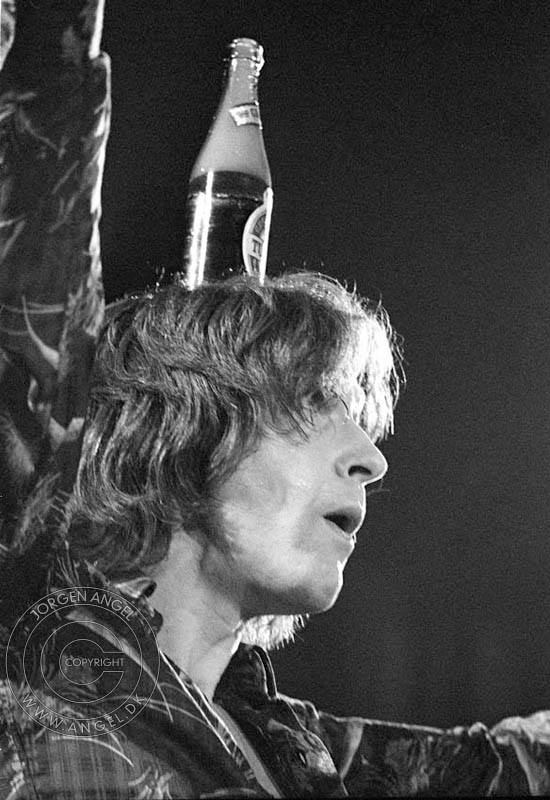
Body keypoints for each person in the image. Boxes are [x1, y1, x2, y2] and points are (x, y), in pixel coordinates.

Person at [2, 271, 550, 799]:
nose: (372, 458)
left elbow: (510, 764)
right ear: (173, 432)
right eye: (313, 402)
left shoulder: (285, 745)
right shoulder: (42, 709)